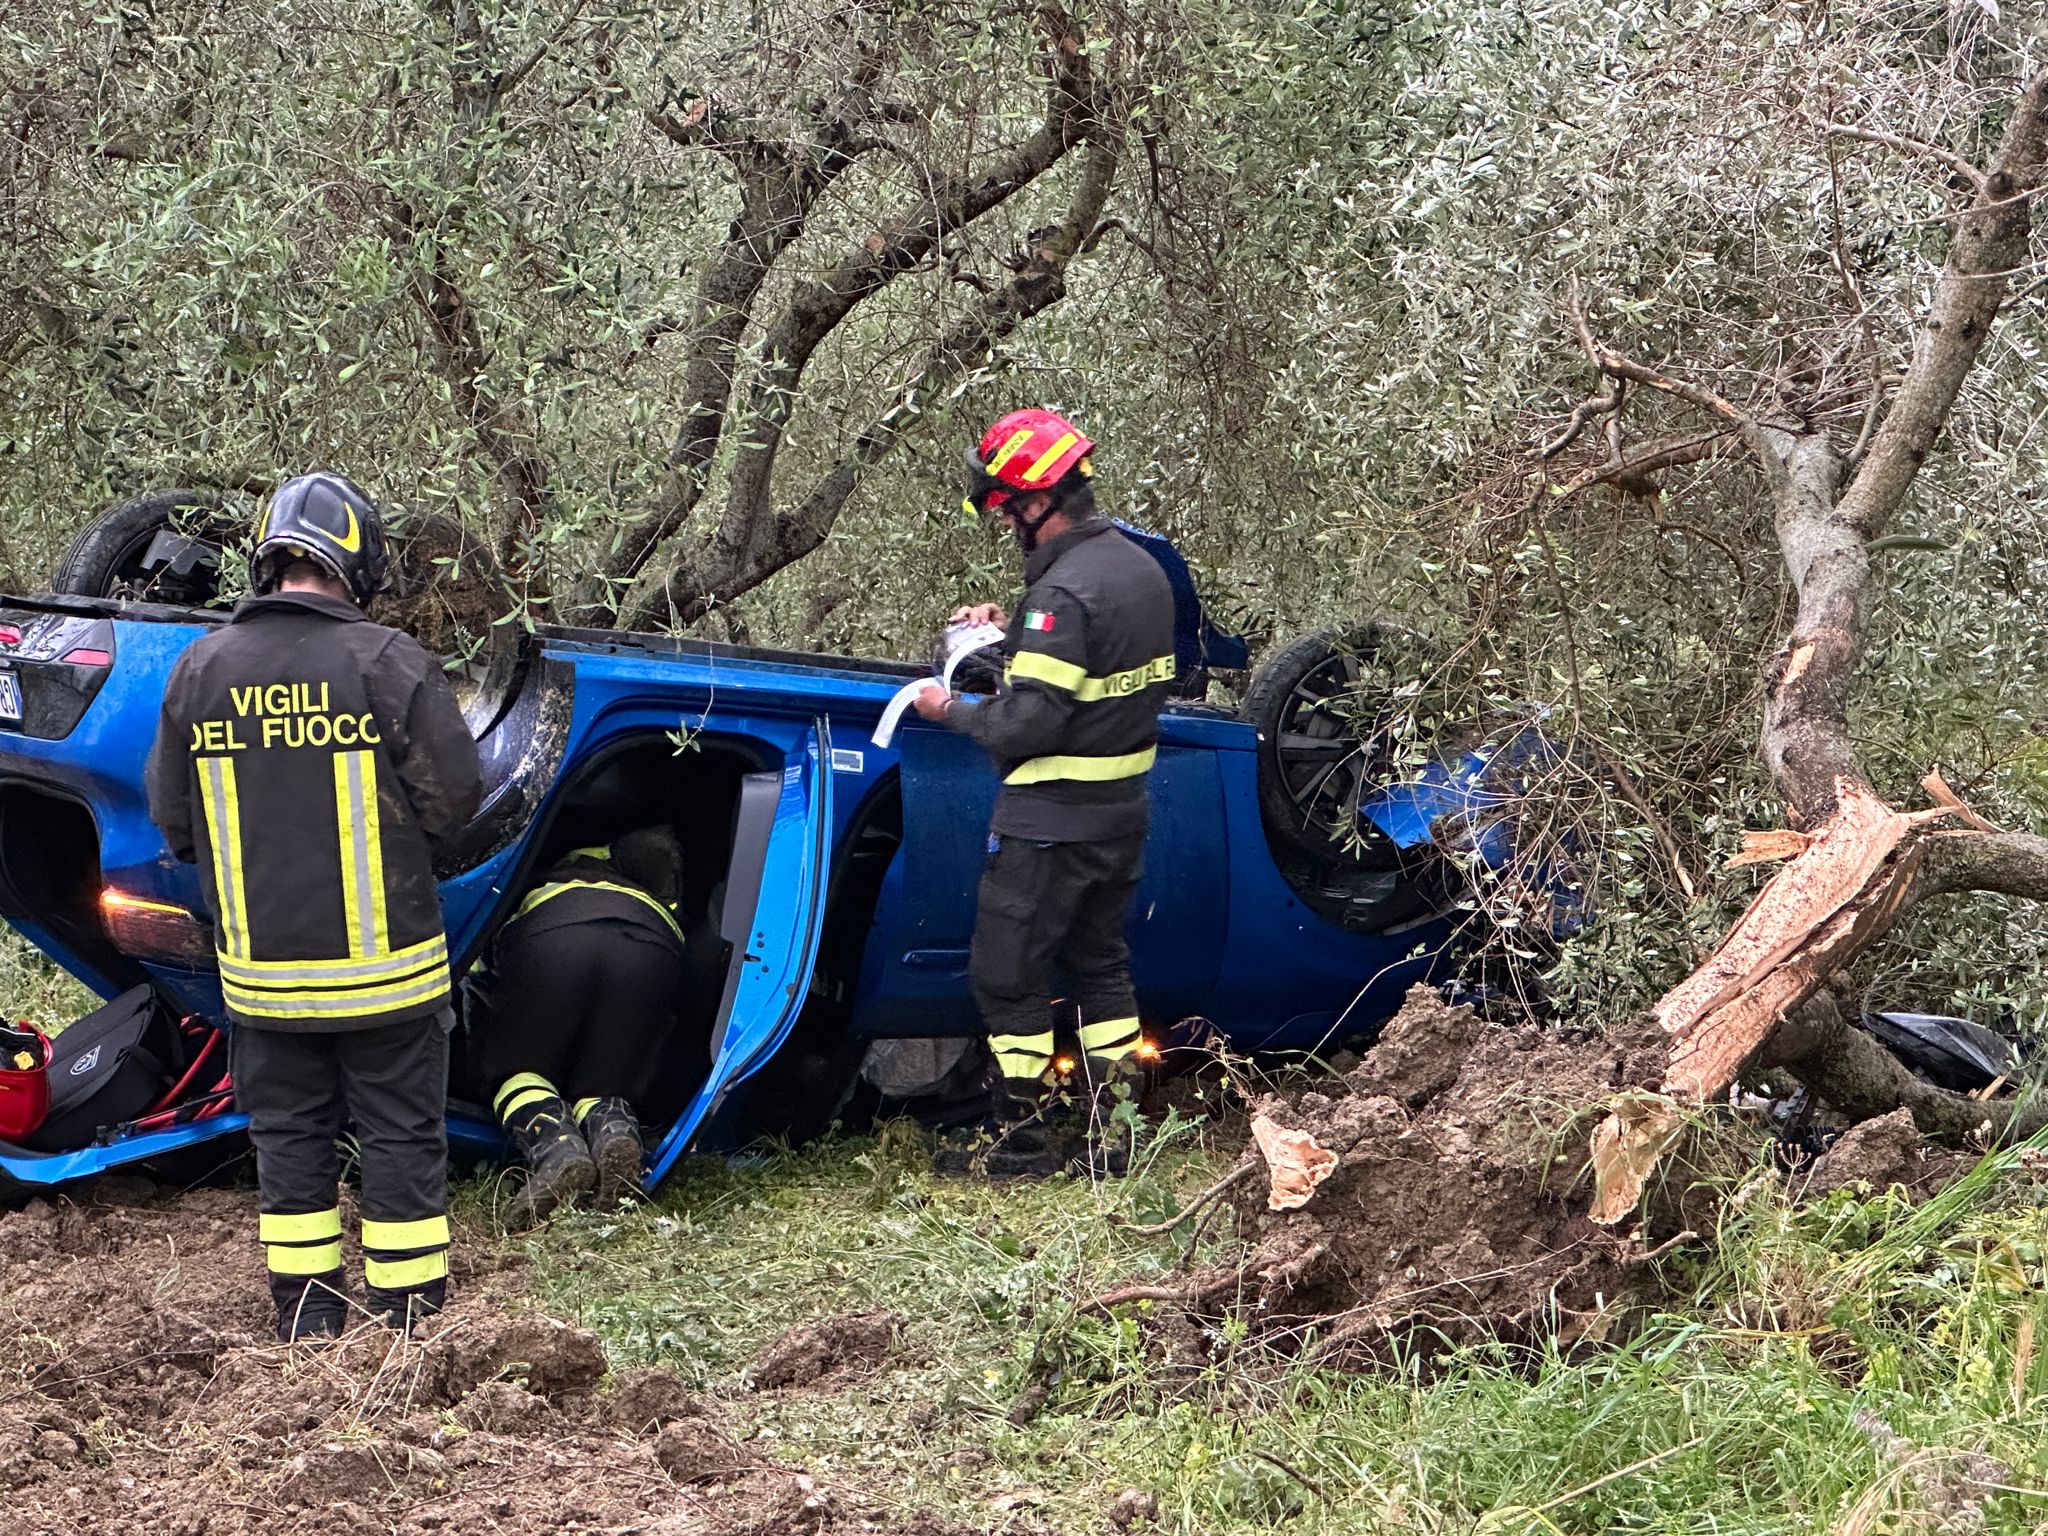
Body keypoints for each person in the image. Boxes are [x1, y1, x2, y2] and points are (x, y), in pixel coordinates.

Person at [146, 473, 482, 1342]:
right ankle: (409, 1326)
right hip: (388, 977)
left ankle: (306, 1323)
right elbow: (455, 802)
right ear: (358, 562)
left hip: (264, 982)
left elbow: (176, 827)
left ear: (267, 560)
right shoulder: (389, 663)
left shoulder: (199, 671)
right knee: (401, 1137)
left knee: (289, 1141)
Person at [912, 408, 1176, 1175]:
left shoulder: (1062, 594)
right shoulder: (1140, 571)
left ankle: (1018, 1147)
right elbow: (1093, 677)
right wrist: (1011, 634)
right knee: (1100, 969)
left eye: (1005, 506)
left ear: (1036, 501)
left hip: (1048, 823)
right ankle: (1114, 1140)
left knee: (1008, 978)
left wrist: (948, 708)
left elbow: (1028, 722)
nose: (1005, 521)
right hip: (1120, 817)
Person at [478, 827, 690, 1222]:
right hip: (652, 949)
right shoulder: (653, 890)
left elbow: (477, 956)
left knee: (518, 1069)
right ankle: (616, 1134)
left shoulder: (547, 869)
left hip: (555, 937)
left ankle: (559, 1151)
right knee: (603, 1083)